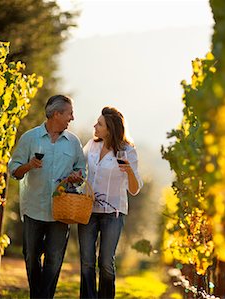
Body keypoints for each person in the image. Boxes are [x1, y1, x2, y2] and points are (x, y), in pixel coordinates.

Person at [8, 95, 86, 298]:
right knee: (31, 256)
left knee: (54, 258)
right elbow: (14, 170)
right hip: (33, 208)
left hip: (61, 212)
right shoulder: (30, 138)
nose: (73, 118)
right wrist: (29, 165)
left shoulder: (73, 143)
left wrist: (76, 177)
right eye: (69, 113)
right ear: (56, 114)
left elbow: (81, 173)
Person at [79, 106, 143, 298]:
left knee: (106, 261)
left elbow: (134, 189)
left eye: (100, 124)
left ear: (110, 128)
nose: (95, 126)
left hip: (113, 213)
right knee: (87, 261)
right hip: (88, 210)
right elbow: (80, 169)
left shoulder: (127, 151)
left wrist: (130, 171)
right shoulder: (91, 145)